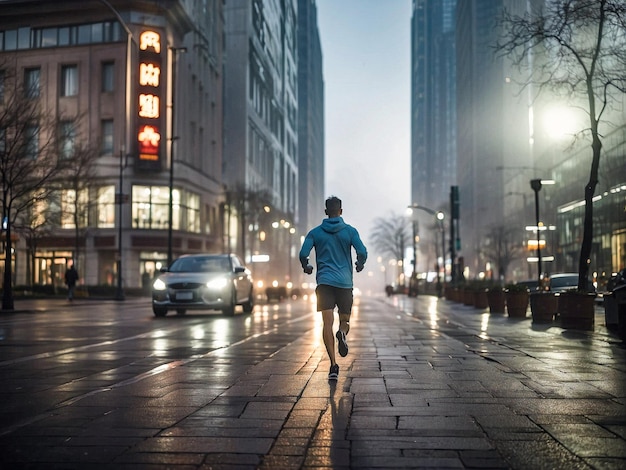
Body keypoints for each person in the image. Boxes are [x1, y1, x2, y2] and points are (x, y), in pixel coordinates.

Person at [299, 196, 367, 380]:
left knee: (326, 324)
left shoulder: (315, 233)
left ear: (325, 211)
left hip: (325, 284)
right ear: (341, 211)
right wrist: (360, 264)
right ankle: (342, 333)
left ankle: (333, 366)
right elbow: (362, 251)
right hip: (345, 284)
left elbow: (303, 253)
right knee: (344, 321)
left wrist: (306, 266)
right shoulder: (350, 231)